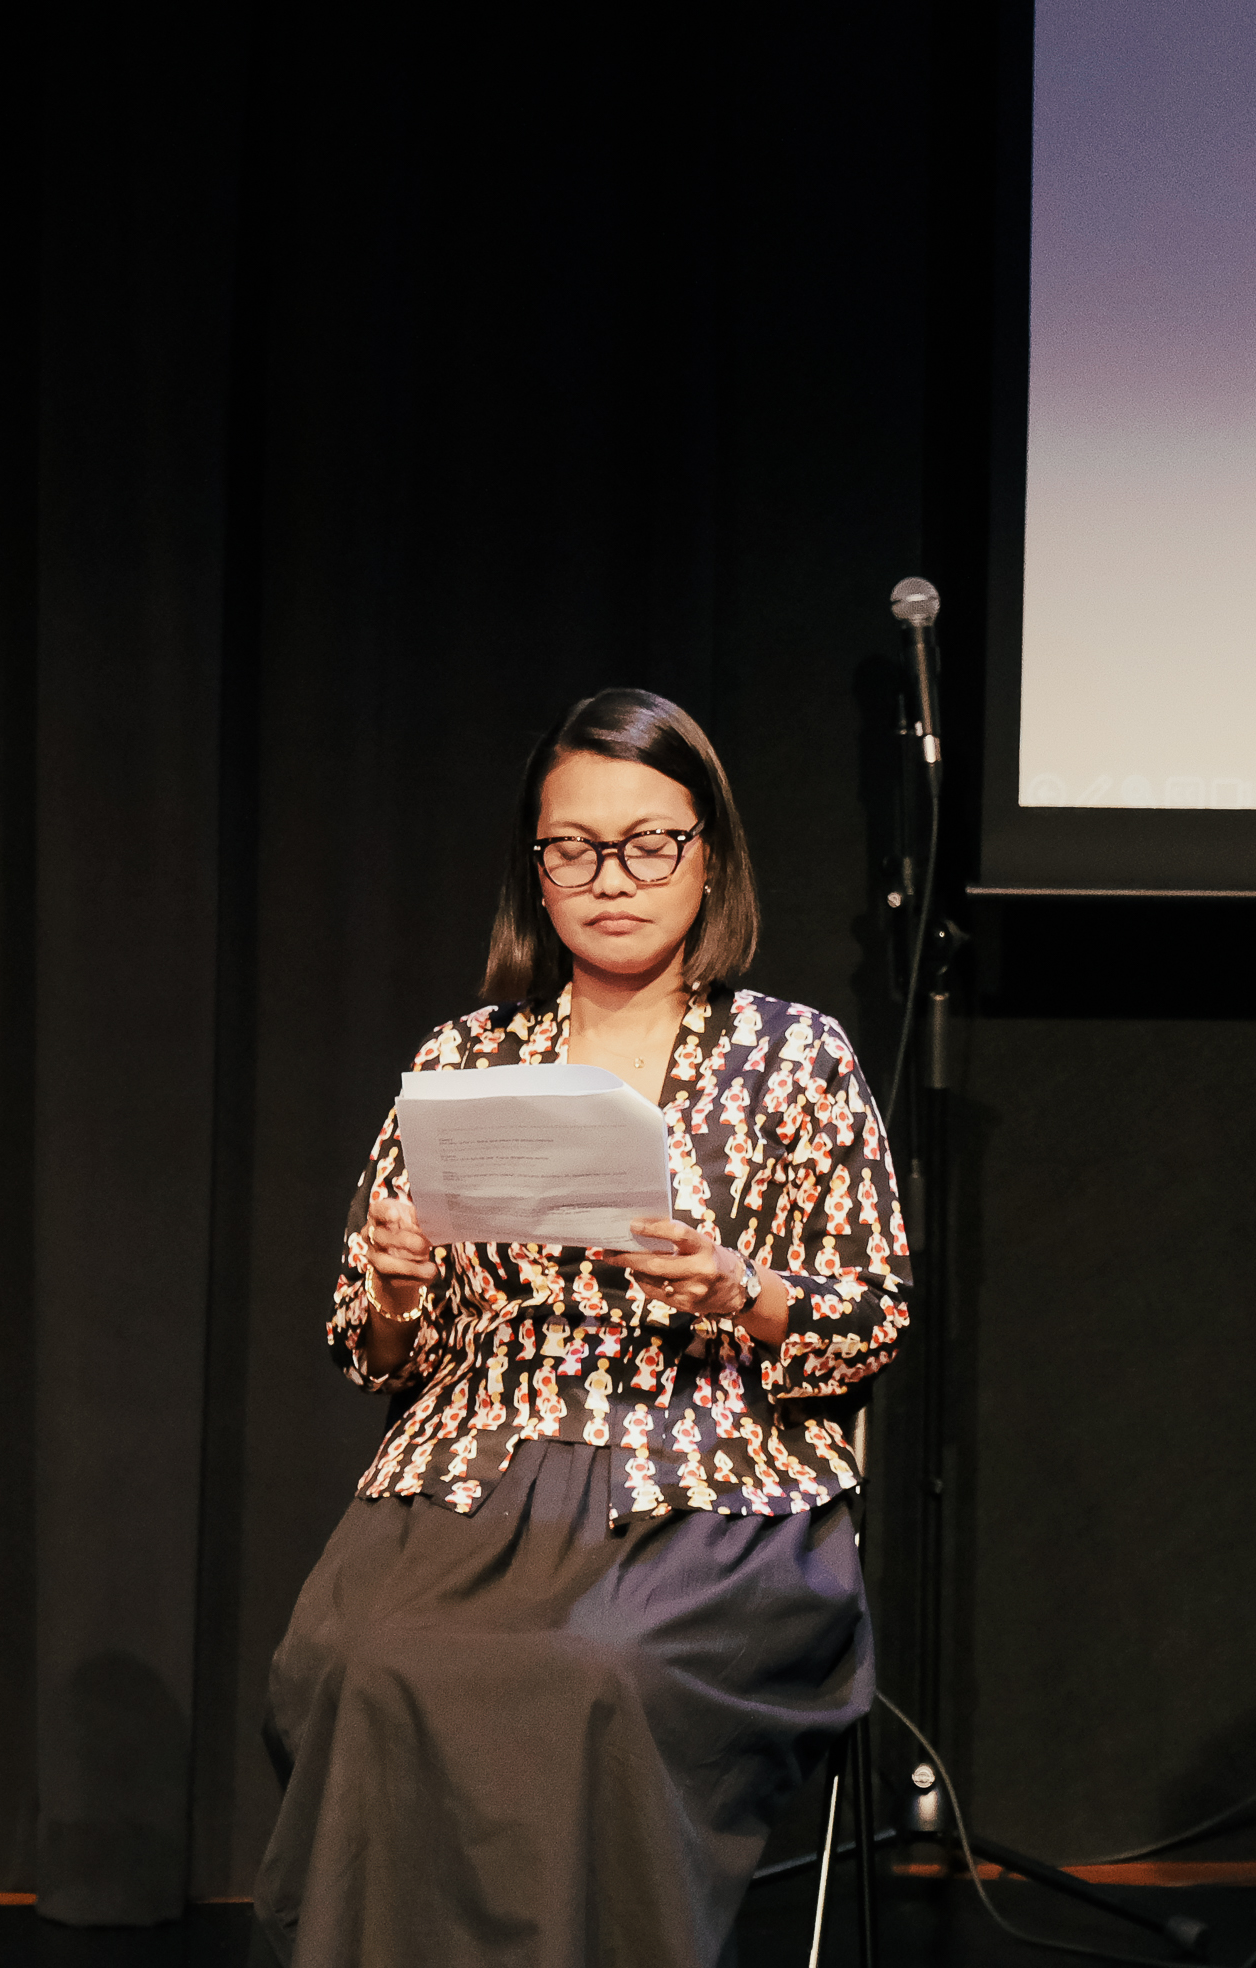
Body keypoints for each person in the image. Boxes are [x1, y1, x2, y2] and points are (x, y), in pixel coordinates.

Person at [254, 687, 909, 1967]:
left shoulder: (796, 1056)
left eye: (649, 842)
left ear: (707, 854)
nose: (612, 878)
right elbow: (369, 1351)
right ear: (536, 871)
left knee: (593, 1672)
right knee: (365, 1664)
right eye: (573, 849)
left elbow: (873, 1318)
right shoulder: (465, 1057)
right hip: (471, 1477)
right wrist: (393, 1286)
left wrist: (737, 1289)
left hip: (709, 1486)